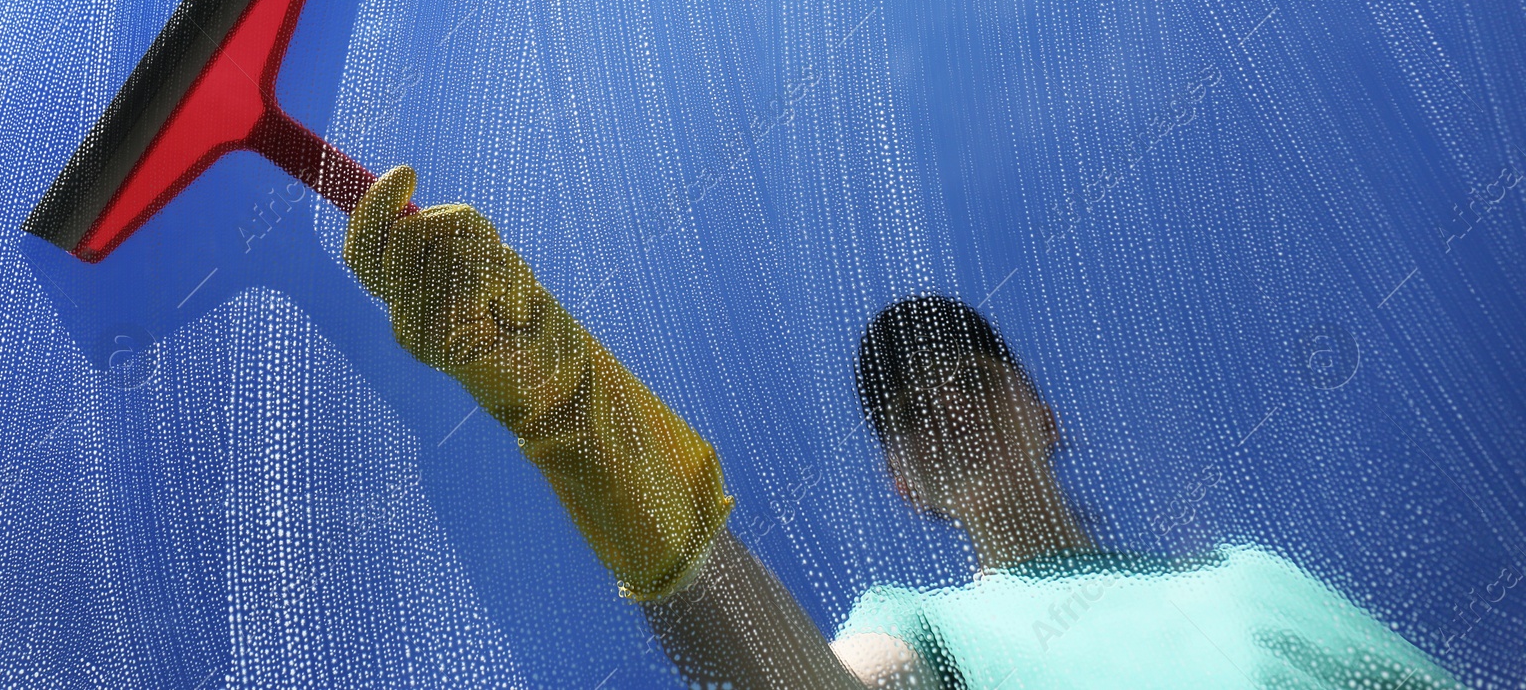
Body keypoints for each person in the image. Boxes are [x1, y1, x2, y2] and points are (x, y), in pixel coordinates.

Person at [344, 167, 1465, 689]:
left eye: (968, 380)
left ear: (1039, 406)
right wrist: (568, 403)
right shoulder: (920, 624)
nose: (943, 412)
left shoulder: (1249, 574)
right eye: (907, 415)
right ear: (903, 483)